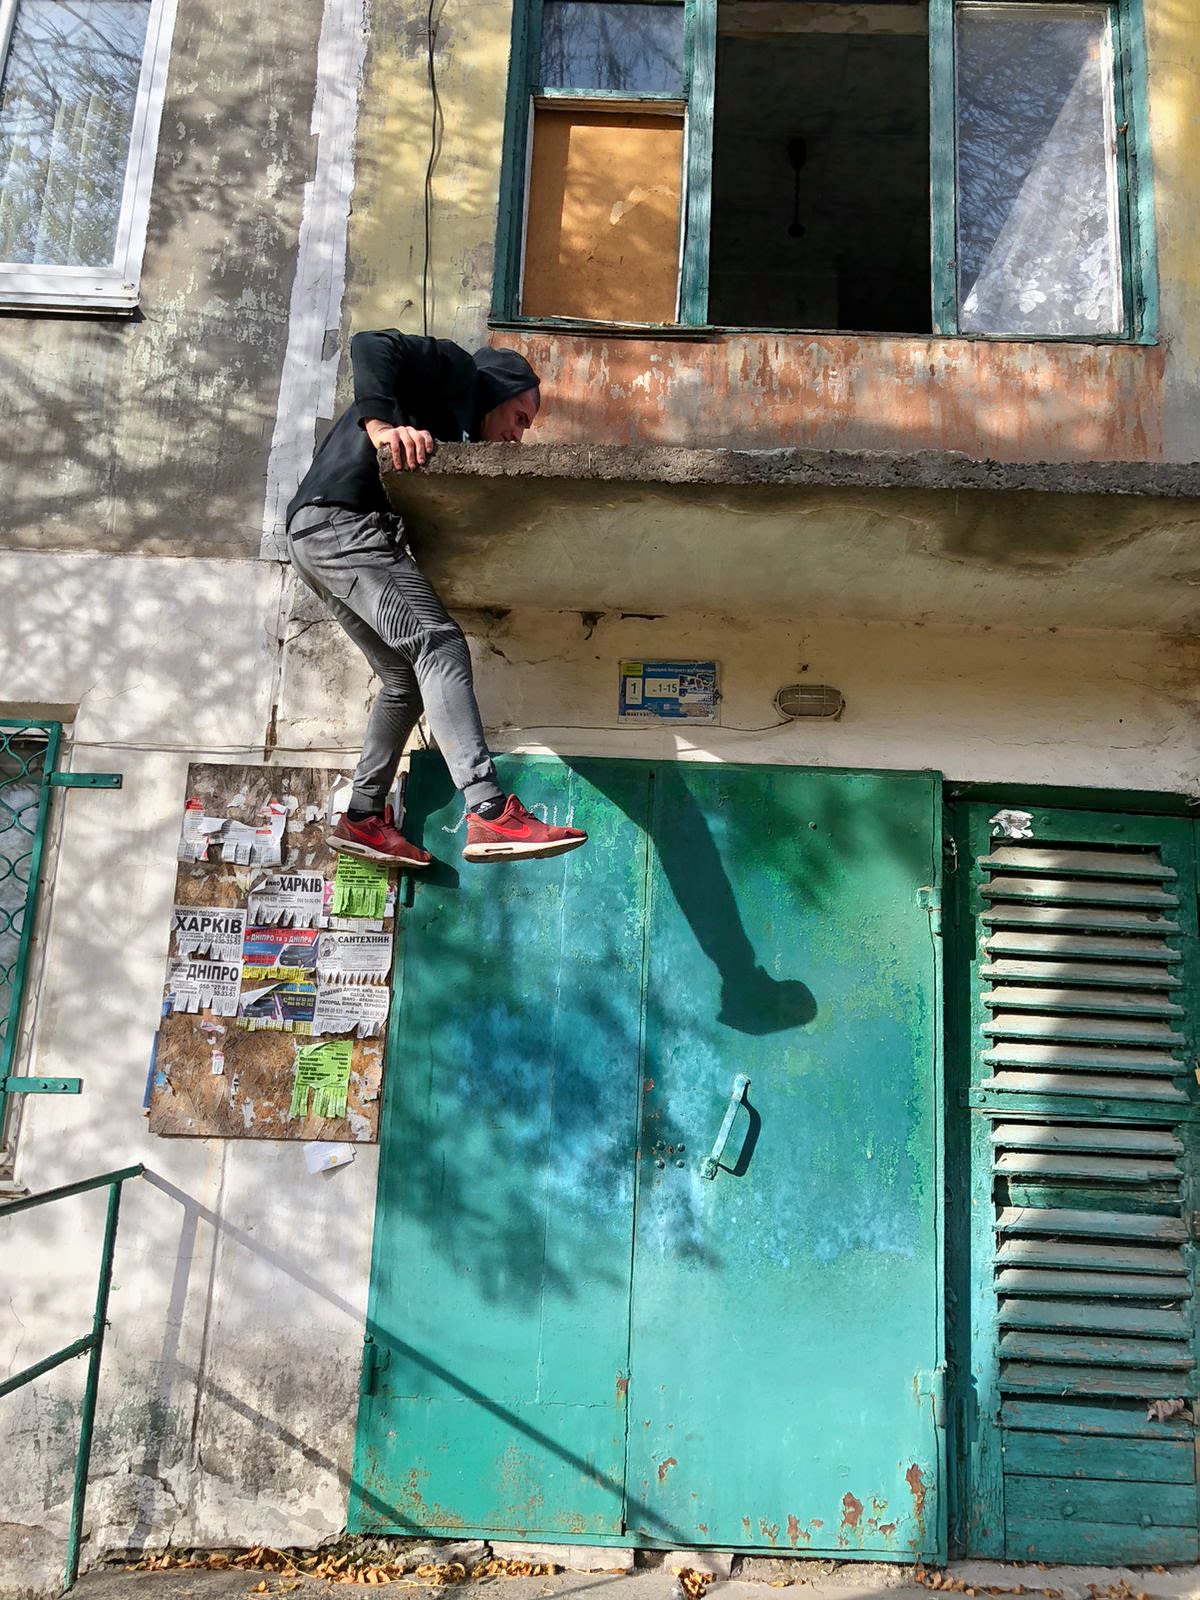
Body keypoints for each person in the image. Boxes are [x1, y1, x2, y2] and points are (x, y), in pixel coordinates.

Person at [286, 330, 587, 867]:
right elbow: (371, 343)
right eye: (520, 418)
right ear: (501, 389)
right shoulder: (456, 370)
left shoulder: (445, 426)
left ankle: (362, 816)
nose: (519, 435)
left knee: (405, 680)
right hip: (343, 524)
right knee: (441, 644)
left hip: (314, 537)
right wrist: (379, 426)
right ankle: (490, 809)